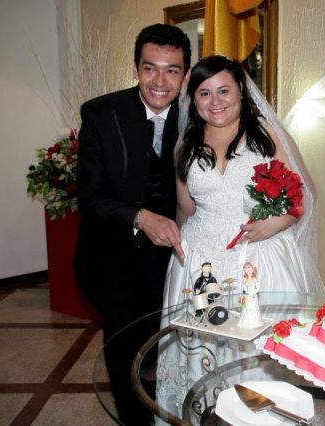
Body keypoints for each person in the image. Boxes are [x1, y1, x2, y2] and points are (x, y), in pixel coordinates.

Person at [155, 55, 325, 417]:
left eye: (224, 91)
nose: (215, 101)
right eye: (204, 93)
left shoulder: (265, 135)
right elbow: (185, 208)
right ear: (193, 99)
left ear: (241, 93)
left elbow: (304, 195)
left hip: (259, 256)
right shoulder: (185, 145)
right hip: (199, 261)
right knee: (200, 351)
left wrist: (274, 224)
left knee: (257, 352)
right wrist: (179, 249)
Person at [73, 24, 191, 426]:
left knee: (166, 347)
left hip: (173, 261)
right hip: (112, 255)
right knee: (124, 348)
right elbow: (89, 197)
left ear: (185, 75)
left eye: (172, 70)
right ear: (136, 67)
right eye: (149, 68)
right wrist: (140, 216)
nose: (160, 81)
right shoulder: (100, 113)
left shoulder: (199, 115)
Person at [238, 262, 263, 328]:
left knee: (253, 308)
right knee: (246, 308)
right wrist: (245, 294)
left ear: (252, 269)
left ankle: (255, 322)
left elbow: (258, 289)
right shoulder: (245, 279)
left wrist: (253, 293)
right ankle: (245, 322)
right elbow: (245, 288)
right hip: (247, 296)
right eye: (245, 268)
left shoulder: (254, 279)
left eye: (248, 267)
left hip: (253, 296)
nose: (247, 269)